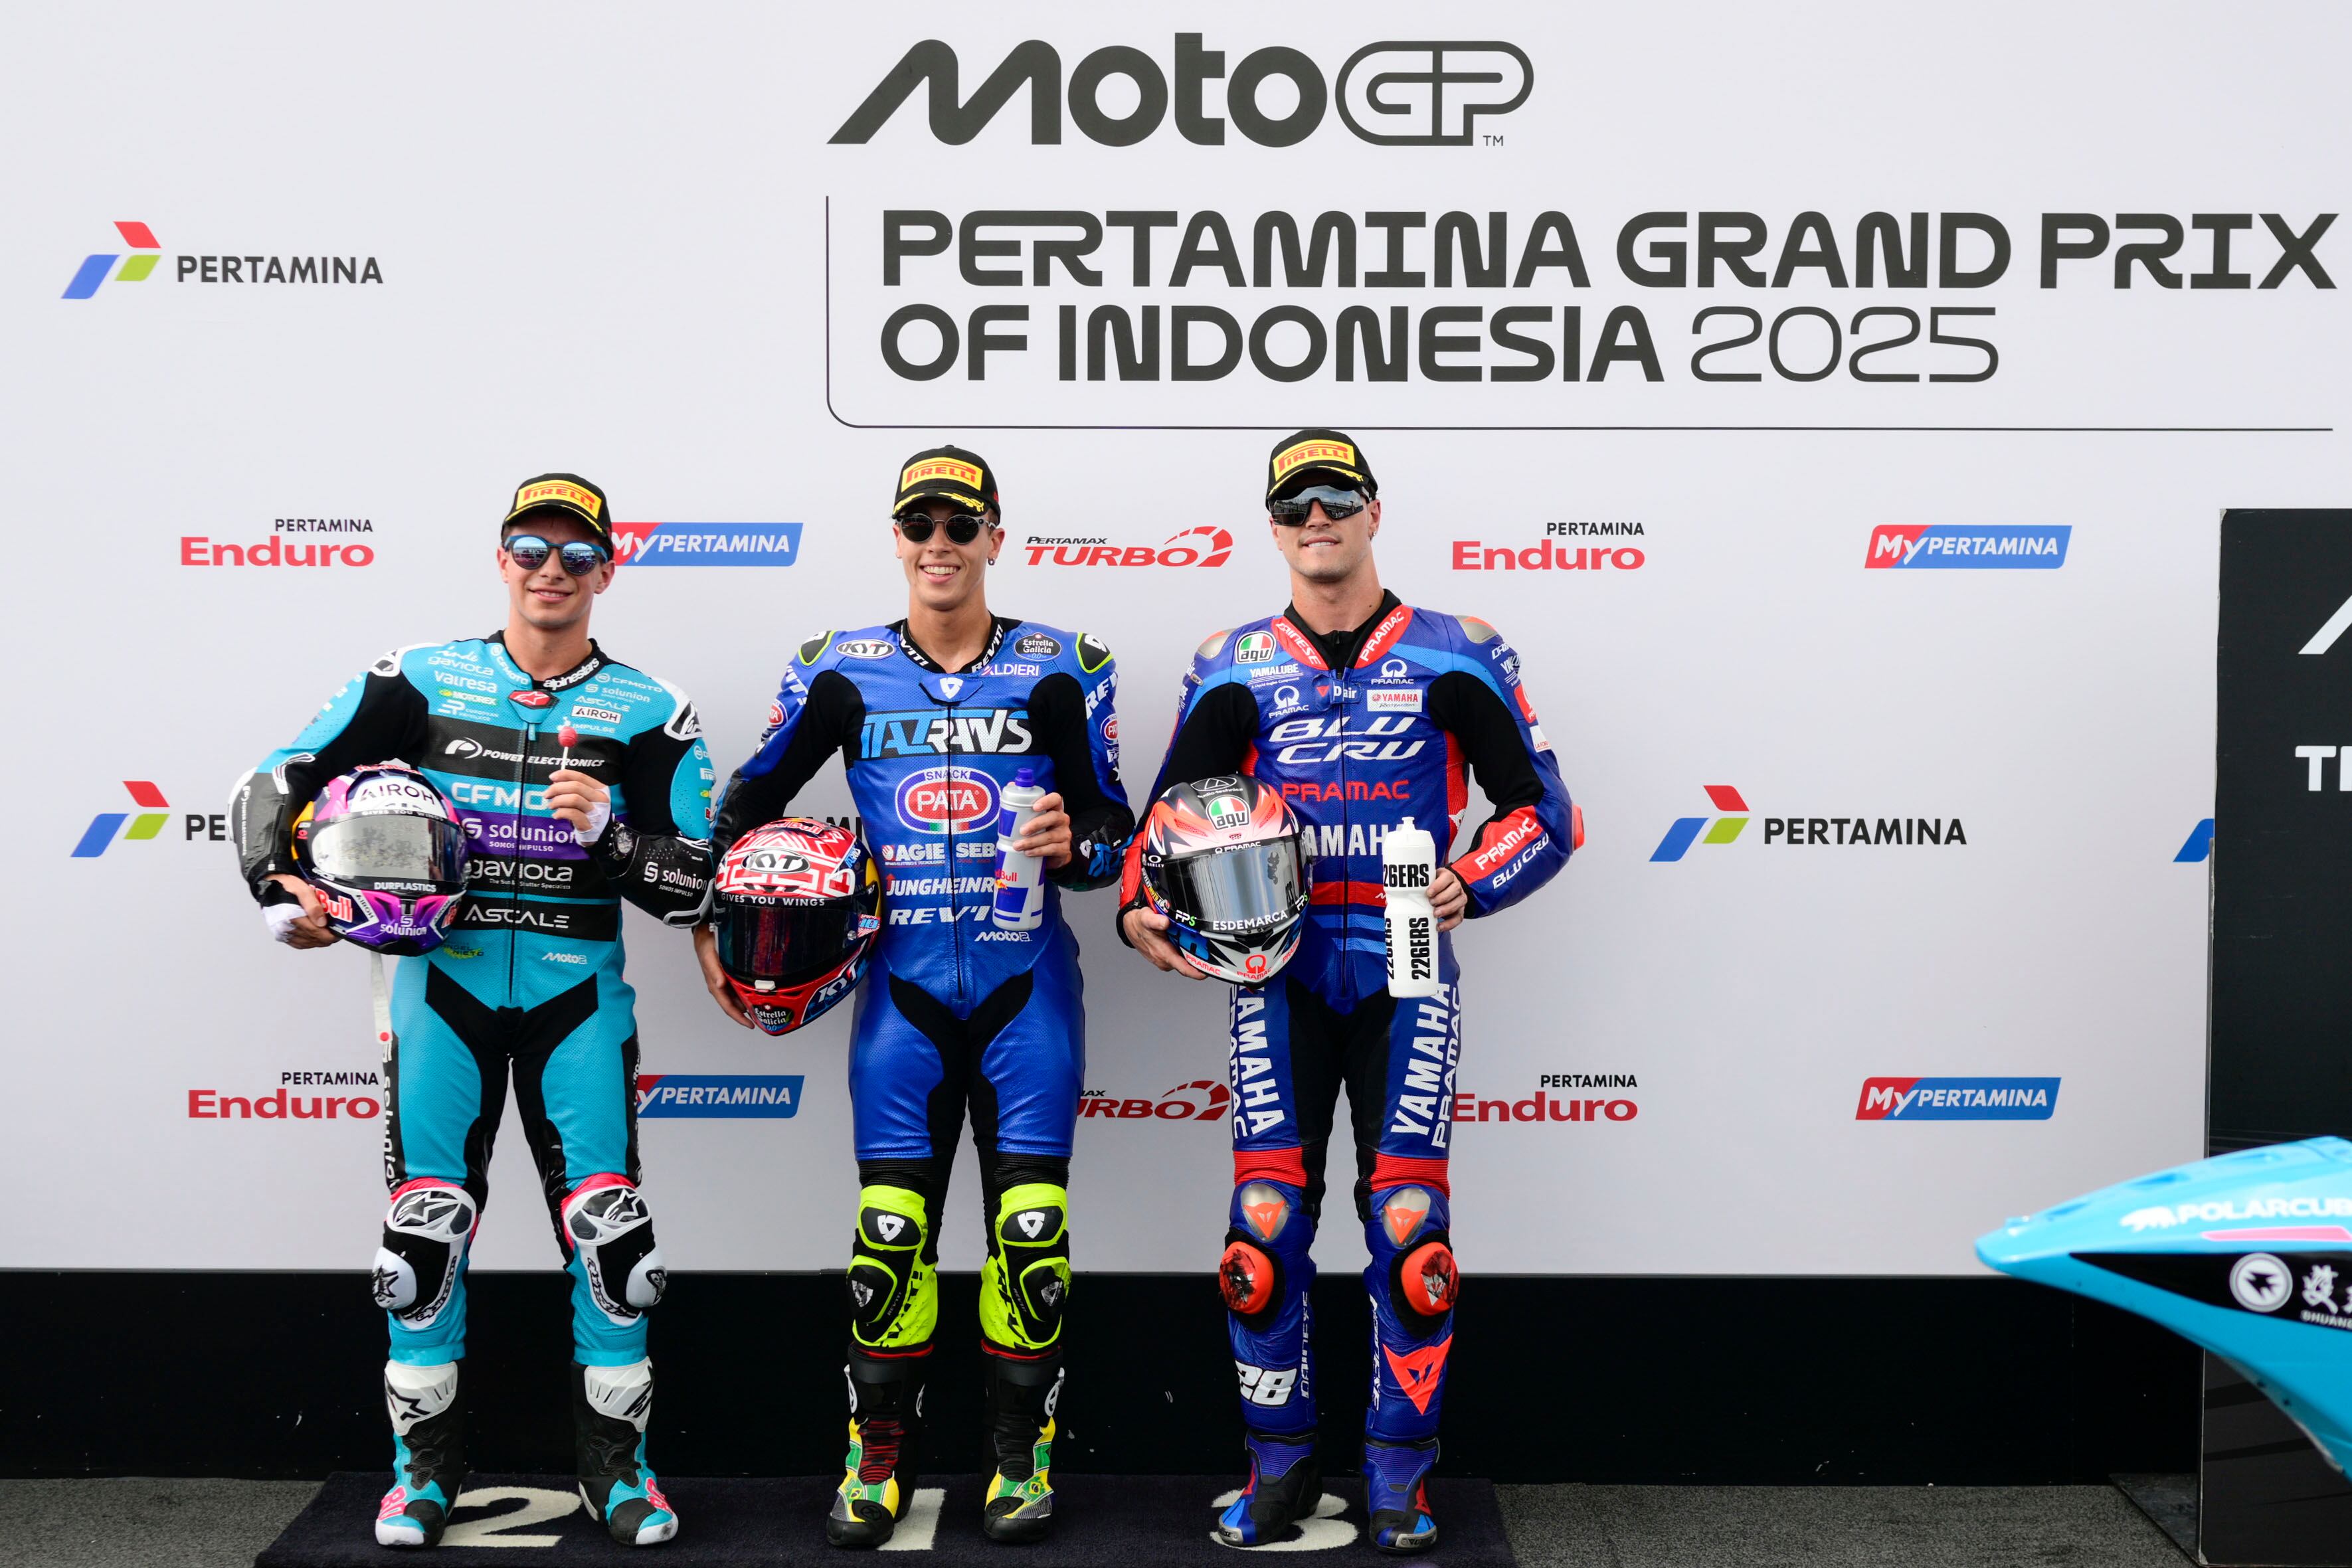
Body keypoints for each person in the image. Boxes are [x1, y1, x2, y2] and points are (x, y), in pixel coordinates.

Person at [1117, 430, 1580, 1553]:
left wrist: (1469, 877)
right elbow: (1162, 825)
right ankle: (1277, 1470)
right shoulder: (1231, 659)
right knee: (1264, 1227)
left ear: (1372, 511)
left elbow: (1547, 813)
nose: (1313, 517)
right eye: (1292, 504)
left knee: (1411, 1224)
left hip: (1410, 942)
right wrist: (1139, 911)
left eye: (1333, 497)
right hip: (1271, 958)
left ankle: (1396, 1476)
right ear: (1271, 527)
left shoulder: (1457, 649)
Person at [231, 474, 713, 1549]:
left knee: (612, 1238)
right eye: (529, 547)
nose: (551, 568)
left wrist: (616, 840)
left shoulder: (649, 708)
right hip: (436, 985)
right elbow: (279, 775)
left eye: (575, 552)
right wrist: (283, 890)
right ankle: (421, 1476)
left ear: (607, 568)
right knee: (422, 1233)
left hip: (577, 994)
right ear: (500, 558)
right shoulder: (420, 678)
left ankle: (620, 1473)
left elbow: (698, 880)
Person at [697, 445, 1132, 1548]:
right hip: (897, 994)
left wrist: (1073, 838)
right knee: (889, 1233)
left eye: (959, 524)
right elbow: (743, 809)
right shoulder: (838, 669)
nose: (938, 544)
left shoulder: (1063, 666)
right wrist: (710, 919)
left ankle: (1017, 1457)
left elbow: (1113, 841)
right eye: (919, 525)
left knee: (1030, 1233)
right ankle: (875, 1453)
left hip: (1025, 986)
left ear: (995, 536)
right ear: (896, 540)